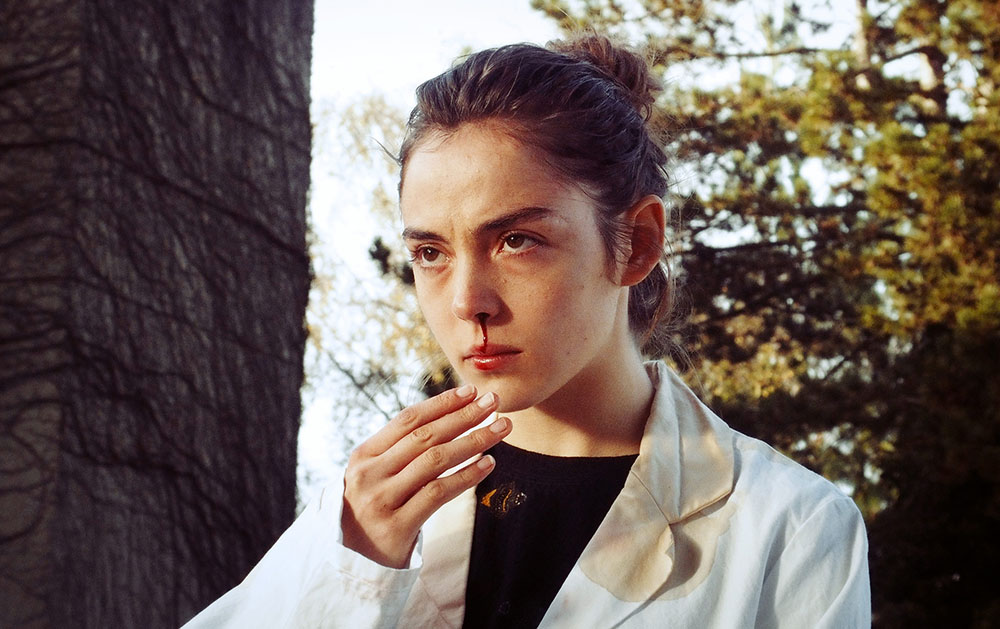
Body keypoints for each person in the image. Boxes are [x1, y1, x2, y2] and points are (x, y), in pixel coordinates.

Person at [183, 33, 870, 629]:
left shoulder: (792, 529)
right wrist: (351, 581)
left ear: (636, 243)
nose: (466, 302)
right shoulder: (358, 516)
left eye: (517, 240)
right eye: (430, 252)